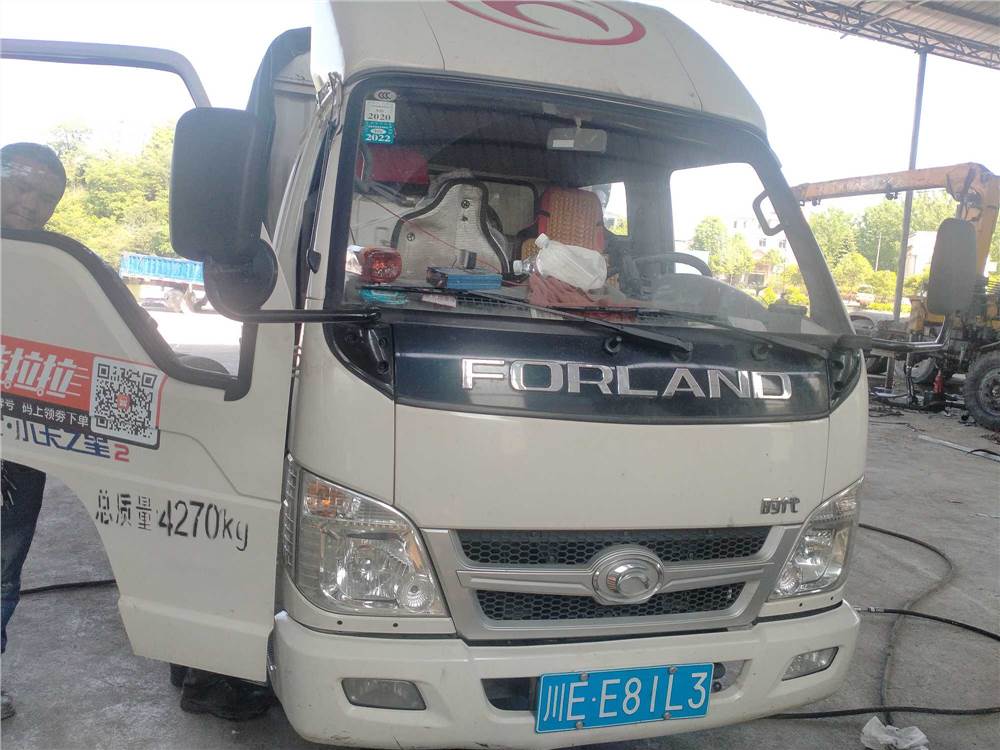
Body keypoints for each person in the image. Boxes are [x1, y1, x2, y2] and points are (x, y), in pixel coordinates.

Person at [1, 142, 67, 721]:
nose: (31, 203)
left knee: (2, 571)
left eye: (45, 197)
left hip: (19, 453)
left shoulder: (56, 265)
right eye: (20, 187)